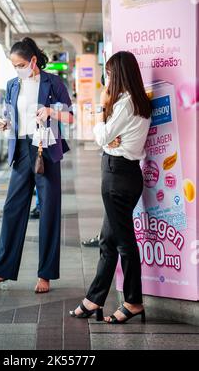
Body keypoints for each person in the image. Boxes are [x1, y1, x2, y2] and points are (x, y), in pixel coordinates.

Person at [0, 37, 74, 294]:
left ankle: (45, 275)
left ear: (32, 61)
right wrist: (5, 124)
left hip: (45, 151)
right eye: (13, 65)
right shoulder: (12, 85)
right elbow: (12, 116)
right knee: (12, 209)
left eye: (20, 64)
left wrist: (52, 112)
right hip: (20, 150)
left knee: (49, 211)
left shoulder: (53, 82)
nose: (16, 69)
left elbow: (70, 116)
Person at [70, 51, 151, 324]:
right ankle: (94, 299)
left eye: (109, 73)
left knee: (125, 244)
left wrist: (102, 108)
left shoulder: (124, 104)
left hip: (117, 177)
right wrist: (108, 141)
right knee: (108, 241)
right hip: (125, 174)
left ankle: (133, 302)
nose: (107, 78)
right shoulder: (136, 101)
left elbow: (102, 136)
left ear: (118, 75)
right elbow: (108, 141)